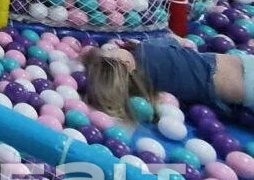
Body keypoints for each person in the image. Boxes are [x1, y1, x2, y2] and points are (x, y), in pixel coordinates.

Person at [83, 35, 254, 121]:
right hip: (245, 70)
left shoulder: (146, 87)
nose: (112, 46)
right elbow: (173, 41)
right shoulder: (147, 51)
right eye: (111, 50)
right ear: (125, 63)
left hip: (239, 95)